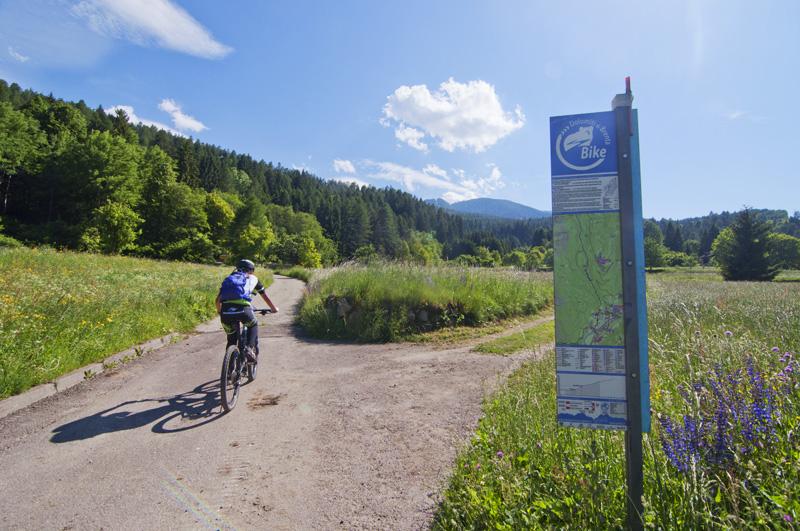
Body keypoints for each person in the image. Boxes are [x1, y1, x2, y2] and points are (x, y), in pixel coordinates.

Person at [215, 259, 278, 361]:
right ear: (251, 270)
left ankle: (230, 370)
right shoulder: (253, 278)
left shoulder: (229, 279)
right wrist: (274, 309)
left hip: (226, 312)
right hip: (244, 310)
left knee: (231, 341)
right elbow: (265, 297)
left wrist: (220, 312)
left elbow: (217, 300)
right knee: (253, 324)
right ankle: (249, 348)